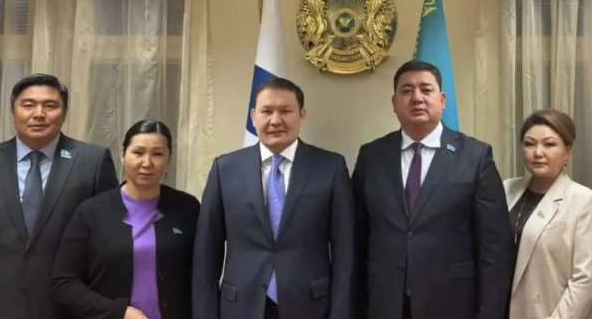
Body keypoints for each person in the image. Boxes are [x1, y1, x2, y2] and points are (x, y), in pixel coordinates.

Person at [0, 73, 118, 319]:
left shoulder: (92, 162)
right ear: (13, 111)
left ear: (64, 112)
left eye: (50, 105)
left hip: (64, 311)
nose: (39, 114)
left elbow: (109, 251)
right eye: (28, 105)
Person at [352, 60, 514, 319]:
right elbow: (358, 238)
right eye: (407, 91)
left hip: (452, 305)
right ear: (394, 102)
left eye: (426, 90)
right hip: (385, 304)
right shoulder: (371, 156)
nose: (417, 98)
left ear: (442, 100)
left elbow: (495, 249)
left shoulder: (475, 157)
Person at [193, 77, 354, 319]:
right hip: (240, 307)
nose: (275, 120)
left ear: (301, 114)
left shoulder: (331, 167)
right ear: (253, 117)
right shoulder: (225, 169)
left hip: (310, 306)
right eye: (266, 111)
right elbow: (206, 252)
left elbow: (345, 252)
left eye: (286, 111)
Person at [51, 120, 200, 319]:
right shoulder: (92, 212)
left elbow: (201, 275)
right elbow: (63, 283)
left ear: (168, 159)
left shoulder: (187, 208)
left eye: (157, 154)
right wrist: (118, 311)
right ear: (122, 154)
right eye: (138, 152)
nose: (147, 163)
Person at [504, 108, 592, 319]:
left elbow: (587, 281)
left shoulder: (585, 201)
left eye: (549, 144)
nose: (538, 152)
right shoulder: (507, 189)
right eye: (530, 144)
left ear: (567, 152)